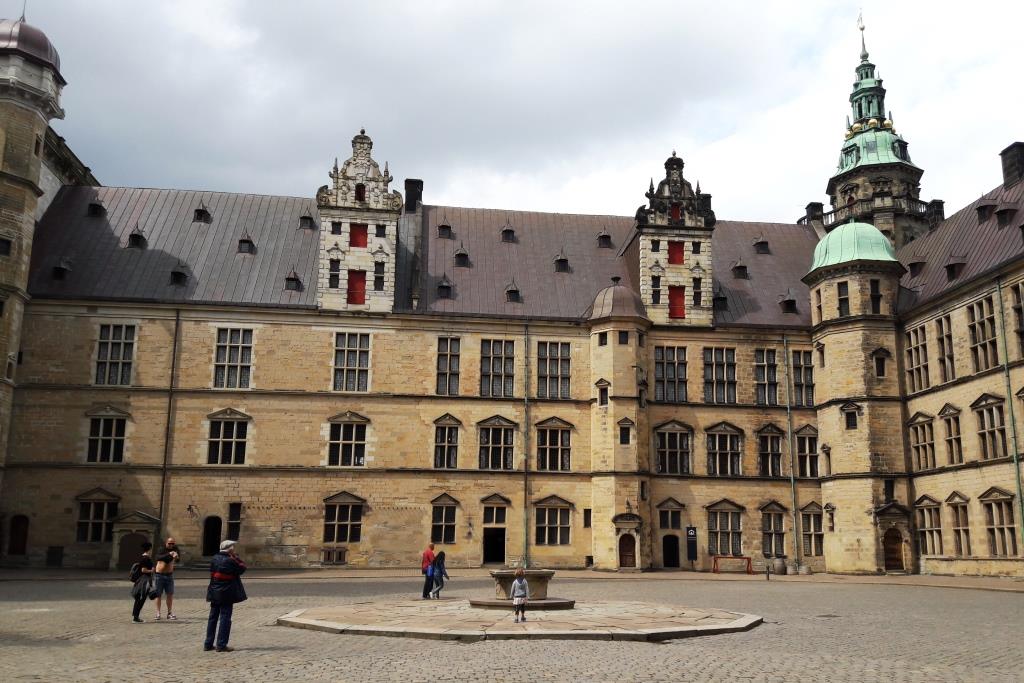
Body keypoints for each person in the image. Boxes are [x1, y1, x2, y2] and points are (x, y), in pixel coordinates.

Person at [204, 539, 247, 652]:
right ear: (230, 549)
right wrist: (236, 557)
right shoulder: (230, 561)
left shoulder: (214, 558)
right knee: (225, 618)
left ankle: (208, 643)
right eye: (233, 547)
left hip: (214, 591)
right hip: (226, 593)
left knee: (212, 618)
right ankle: (221, 644)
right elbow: (242, 568)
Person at [153, 536, 182, 620]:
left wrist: (176, 557)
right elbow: (158, 558)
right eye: (169, 543)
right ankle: (158, 613)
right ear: (166, 543)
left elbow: (178, 560)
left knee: (170, 594)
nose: (171, 545)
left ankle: (169, 613)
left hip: (169, 575)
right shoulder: (161, 549)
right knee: (158, 594)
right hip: (159, 575)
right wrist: (170, 554)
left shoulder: (175, 549)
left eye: (173, 543)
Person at [129, 541, 154, 623]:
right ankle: (136, 618)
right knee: (141, 598)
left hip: (141, 580)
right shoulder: (146, 558)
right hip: (144, 580)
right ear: (149, 549)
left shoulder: (142, 557)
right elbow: (143, 570)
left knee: (139, 598)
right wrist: (152, 570)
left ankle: (135, 616)